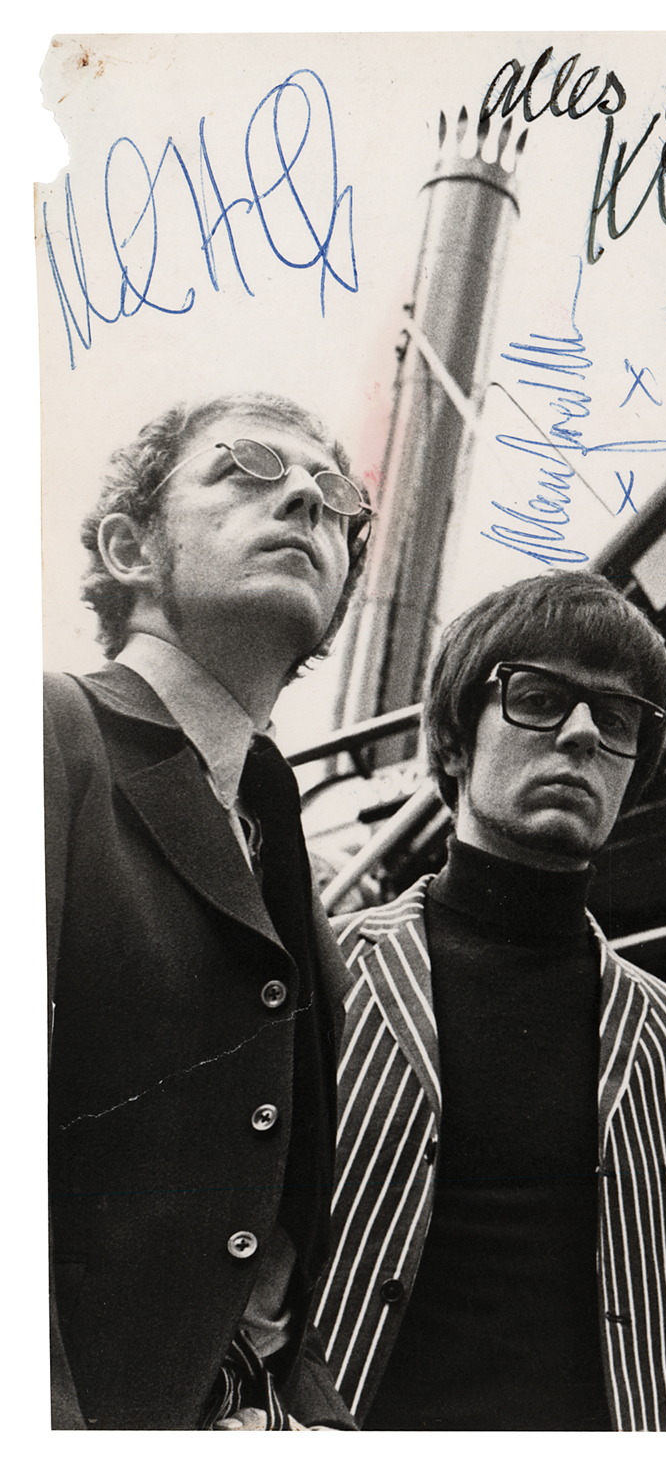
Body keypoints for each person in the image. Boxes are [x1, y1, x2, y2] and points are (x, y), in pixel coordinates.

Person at [311, 572, 666, 1430]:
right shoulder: (320, 982)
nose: (584, 732)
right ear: (454, 742)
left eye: (619, 718)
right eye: (539, 698)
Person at [47, 394, 372, 1428]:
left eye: (337, 497)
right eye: (249, 467)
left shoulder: (274, 825)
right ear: (129, 547)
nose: (308, 499)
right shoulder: (47, 733)